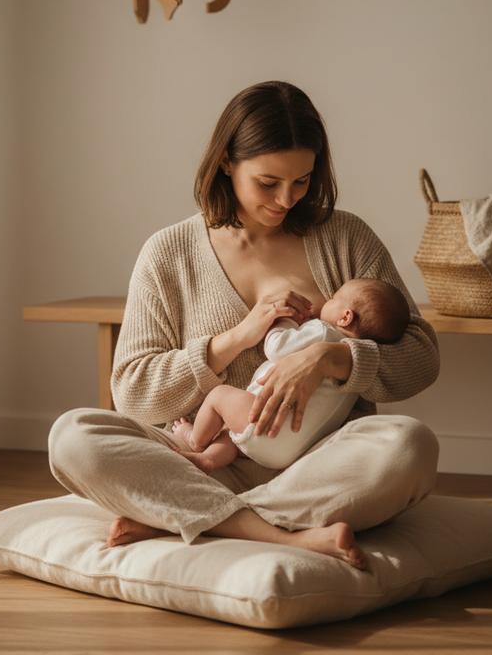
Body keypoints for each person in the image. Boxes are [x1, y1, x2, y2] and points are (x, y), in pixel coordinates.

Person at [48, 80, 440, 570]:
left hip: (315, 467)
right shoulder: (169, 253)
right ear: (227, 163)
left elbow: (422, 356)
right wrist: (235, 339)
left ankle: (182, 516)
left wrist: (328, 358)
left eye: (302, 181)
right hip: (199, 460)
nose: (287, 199)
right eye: (268, 182)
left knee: (409, 446)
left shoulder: (345, 237)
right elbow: (132, 391)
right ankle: (283, 535)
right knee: (73, 437)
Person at [171, 278, 410, 473]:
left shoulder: (324, 331)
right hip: (291, 452)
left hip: (265, 423)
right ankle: (209, 460)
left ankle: (195, 440)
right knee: (231, 435)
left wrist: (284, 320)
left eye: (334, 298)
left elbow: (276, 347)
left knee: (219, 395)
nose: (328, 300)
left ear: (345, 317)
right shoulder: (354, 375)